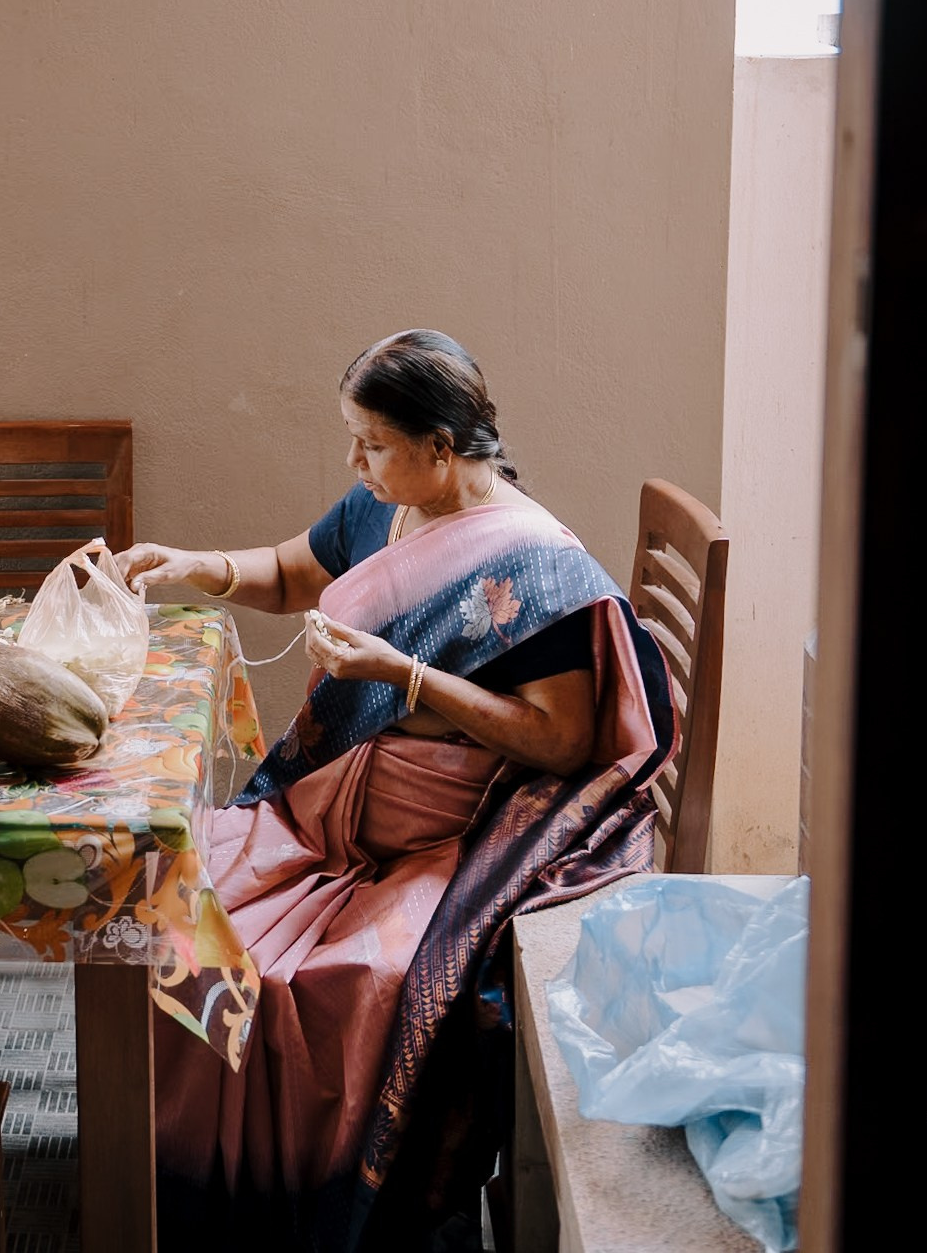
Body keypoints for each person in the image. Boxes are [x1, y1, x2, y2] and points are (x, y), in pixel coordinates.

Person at [117, 329, 674, 1249]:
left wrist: (404, 674)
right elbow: (293, 571)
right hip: (331, 814)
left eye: (370, 444)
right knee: (162, 912)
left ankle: (304, 1201)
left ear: (441, 450)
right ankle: (198, 1183)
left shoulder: (531, 567)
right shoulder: (386, 506)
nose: (355, 462)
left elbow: (562, 736)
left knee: (335, 984)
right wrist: (192, 565)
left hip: (443, 836)